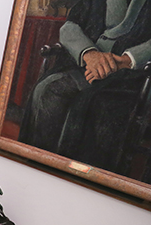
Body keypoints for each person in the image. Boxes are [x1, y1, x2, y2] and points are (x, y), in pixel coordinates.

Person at [18, 0, 151, 170]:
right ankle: (36, 163)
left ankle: (79, 175)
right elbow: (69, 27)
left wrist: (126, 60)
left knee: (97, 106)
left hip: (130, 76)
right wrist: (89, 54)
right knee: (47, 89)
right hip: (85, 64)